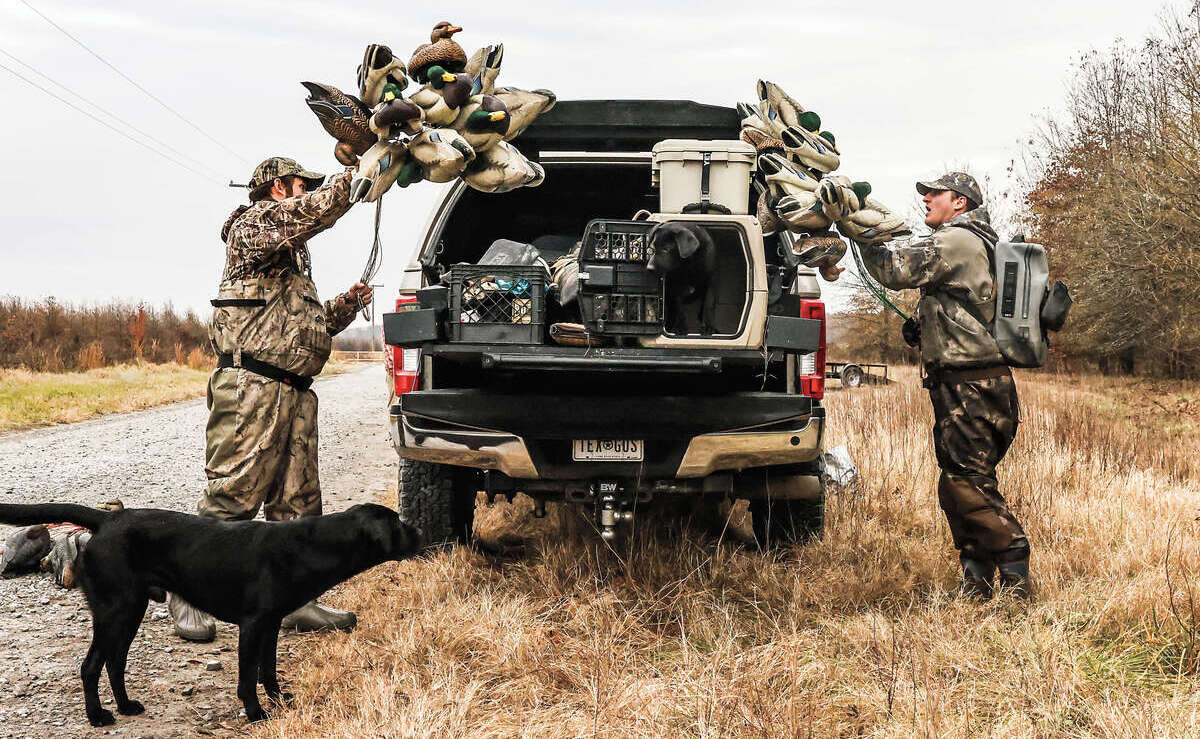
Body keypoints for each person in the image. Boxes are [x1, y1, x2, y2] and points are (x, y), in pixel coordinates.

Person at [169, 157, 374, 641]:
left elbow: (304, 324)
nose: (306, 193)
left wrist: (347, 303)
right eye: (302, 185)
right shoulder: (253, 225)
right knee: (233, 497)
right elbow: (313, 213)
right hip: (252, 388)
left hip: (296, 393)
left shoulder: (289, 258)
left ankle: (293, 601)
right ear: (278, 187)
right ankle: (186, 593)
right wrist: (362, 174)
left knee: (298, 506)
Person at [856, 172, 1031, 599]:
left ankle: (1014, 569)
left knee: (966, 482)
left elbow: (893, 269)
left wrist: (857, 228)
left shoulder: (957, 240)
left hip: (971, 387)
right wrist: (926, 327)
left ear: (961, 203)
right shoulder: (974, 243)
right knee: (958, 482)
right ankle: (977, 579)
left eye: (936, 194)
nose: (927, 199)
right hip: (968, 384)